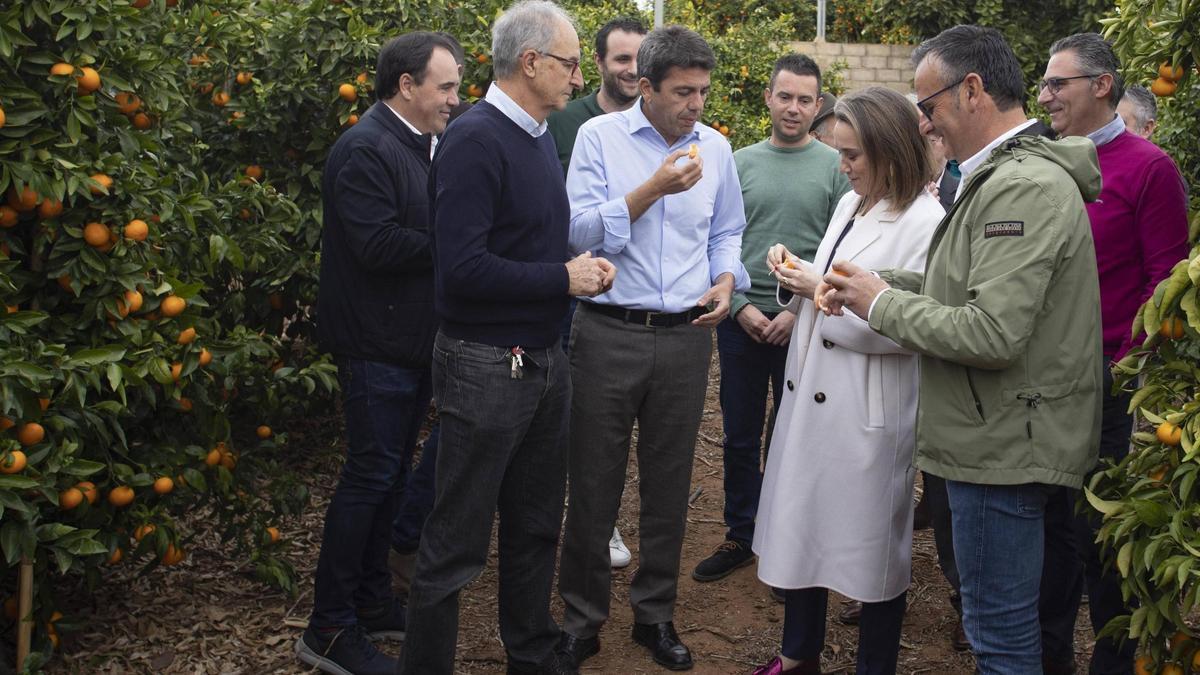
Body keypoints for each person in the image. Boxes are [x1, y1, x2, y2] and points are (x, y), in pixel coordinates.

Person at [820, 25, 1103, 673]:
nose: (922, 125)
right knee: (1005, 632)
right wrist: (884, 281)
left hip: (1000, 449)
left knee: (1000, 639)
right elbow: (966, 288)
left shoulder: (1020, 187)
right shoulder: (998, 178)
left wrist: (879, 304)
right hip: (997, 435)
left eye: (928, 107)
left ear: (972, 90)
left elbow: (992, 332)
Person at [397, 2, 616, 673]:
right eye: (571, 62)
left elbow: (528, 240)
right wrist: (563, 277)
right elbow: (460, 271)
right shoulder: (475, 140)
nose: (580, 77)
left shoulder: (535, 133)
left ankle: (531, 652)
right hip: (488, 366)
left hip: (541, 360)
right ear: (530, 62)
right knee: (457, 540)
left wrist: (577, 270)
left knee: (536, 524)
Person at [556, 25, 749, 672]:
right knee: (593, 483)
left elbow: (727, 230)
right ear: (646, 87)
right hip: (608, 331)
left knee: (669, 485)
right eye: (682, 92)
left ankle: (655, 615)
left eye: (702, 91)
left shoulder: (717, 148)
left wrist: (725, 279)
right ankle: (582, 617)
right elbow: (578, 229)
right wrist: (650, 191)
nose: (695, 105)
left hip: (687, 336)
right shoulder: (599, 139)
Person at [750, 86, 943, 675]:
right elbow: (831, 279)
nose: (844, 166)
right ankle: (797, 653)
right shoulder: (853, 204)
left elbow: (915, 327)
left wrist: (819, 293)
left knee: (872, 557)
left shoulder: (925, 221)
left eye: (854, 155)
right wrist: (795, 275)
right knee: (803, 530)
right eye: (841, 153)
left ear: (889, 151)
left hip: (867, 411)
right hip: (813, 398)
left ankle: (874, 665)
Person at [296, 31, 462, 675]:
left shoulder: (420, 145)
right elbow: (377, 246)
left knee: (390, 475)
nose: (455, 98)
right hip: (373, 347)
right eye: (445, 86)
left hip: (407, 343)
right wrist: (456, 239)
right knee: (369, 477)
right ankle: (329, 626)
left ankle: (369, 601)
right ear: (407, 86)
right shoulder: (365, 148)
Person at [1036, 32, 1189, 675]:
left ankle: (1115, 655)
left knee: (1101, 524)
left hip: (1108, 373)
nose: (1044, 95)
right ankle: (1046, 656)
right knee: (1050, 523)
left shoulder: (1148, 168)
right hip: (1045, 373)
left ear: (1101, 86)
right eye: (1043, 84)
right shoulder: (1042, 161)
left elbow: (1165, 281)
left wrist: (1124, 364)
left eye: (1057, 84)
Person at [690, 53, 849, 585]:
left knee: (792, 434)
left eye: (806, 99)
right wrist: (741, 308)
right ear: (768, 98)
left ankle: (786, 543)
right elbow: (717, 239)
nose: (794, 108)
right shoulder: (738, 162)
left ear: (819, 106)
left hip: (803, 324)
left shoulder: (834, 168)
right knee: (739, 432)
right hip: (742, 321)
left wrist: (796, 309)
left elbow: (839, 250)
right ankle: (741, 532)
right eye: (785, 96)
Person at [546, 16, 647, 570]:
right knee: (561, 412)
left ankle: (599, 522)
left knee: (597, 419)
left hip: (616, 298)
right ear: (600, 64)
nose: (631, 70)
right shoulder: (568, 121)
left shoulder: (659, 128)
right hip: (556, 286)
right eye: (621, 59)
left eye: (639, 60)